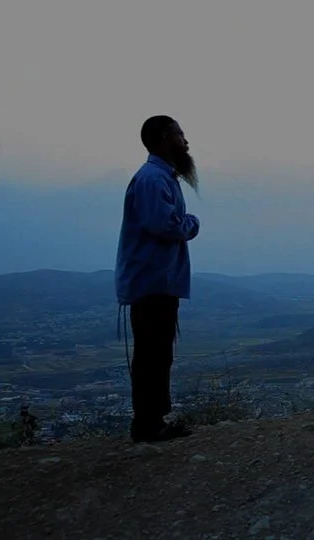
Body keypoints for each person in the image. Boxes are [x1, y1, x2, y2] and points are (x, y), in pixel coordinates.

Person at [115, 115, 201, 443]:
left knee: (158, 351)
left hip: (157, 280)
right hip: (151, 280)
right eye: (181, 134)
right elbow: (164, 224)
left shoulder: (161, 177)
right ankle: (148, 424)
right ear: (166, 137)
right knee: (153, 352)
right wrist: (192, 223)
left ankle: (155, 420)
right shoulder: (153, 179)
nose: (186, 141)